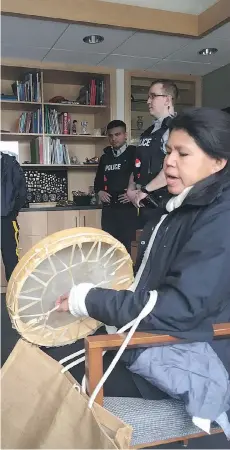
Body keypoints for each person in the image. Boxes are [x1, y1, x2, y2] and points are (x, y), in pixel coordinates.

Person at [55, 108, 230, 431]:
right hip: (150, 337)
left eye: (183, 153)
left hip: (189, 353)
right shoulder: (180, 207)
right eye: (168, 151)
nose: (169, 162)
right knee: (54, 358)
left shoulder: (220, 217)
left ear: (218, 162)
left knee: (61, 387)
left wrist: (90, 300)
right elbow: (148, 282)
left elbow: (181, 308)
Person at [128, 79, 179, 227]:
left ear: (167, 99)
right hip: (144, 201)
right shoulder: (148, 132)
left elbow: (172, 169)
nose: (148, 101)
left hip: (164, 203)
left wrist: (145, 190)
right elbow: (138, 163)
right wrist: (131, 188)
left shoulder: (176, 129)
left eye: (153, 96)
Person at [94, 120, 137, 254]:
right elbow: (98, 181)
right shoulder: (105, 157)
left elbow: (141, 176)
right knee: (108, 247)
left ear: (125, 135)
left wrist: (134, 193)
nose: (114, 138)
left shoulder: (134, 153)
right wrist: (99, 191)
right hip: (109, 209)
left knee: (127, 248)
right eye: (111, 135)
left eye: (117, 134)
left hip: (128, 209)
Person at [1, 152, 27, 281]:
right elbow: (22, 193)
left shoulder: (11, 164)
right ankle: (13, 299)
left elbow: (22, 192)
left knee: (11, 260)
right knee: (11, 259)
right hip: (7, 218)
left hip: (6, 219)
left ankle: (13, 298)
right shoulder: (11, 164)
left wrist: (12, 211)